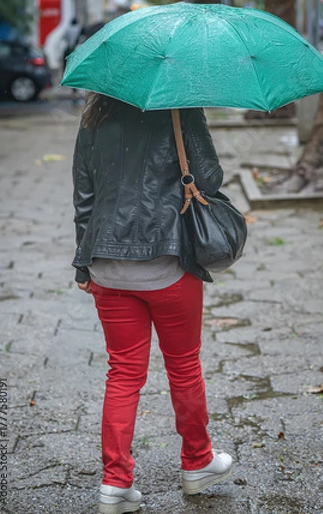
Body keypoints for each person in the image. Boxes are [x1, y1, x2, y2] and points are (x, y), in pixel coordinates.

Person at [72, 93, 233, 514]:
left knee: (122, 373)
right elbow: (210, 180)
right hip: (169, 262)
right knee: (184, 366)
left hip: (106, 265)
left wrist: (82, 265)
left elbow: (83, 199)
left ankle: (115, 484)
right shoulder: (181, 111)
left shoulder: (93, 118)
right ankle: (198, 463)